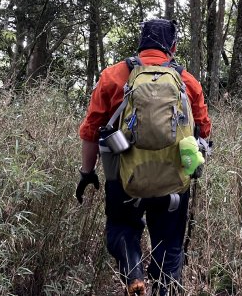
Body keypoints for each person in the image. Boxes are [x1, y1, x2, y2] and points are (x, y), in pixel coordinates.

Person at [76, 19, 212, 296]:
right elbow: (204, 132)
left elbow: (90, 131)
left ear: (140, 44)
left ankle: (133, 272)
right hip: (174, 185)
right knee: (170, 246)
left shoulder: (115, 76)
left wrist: (87, 173)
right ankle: (166, 290)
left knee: (121, 229)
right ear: (172, 47)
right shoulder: (187, 81)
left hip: (124, 180)